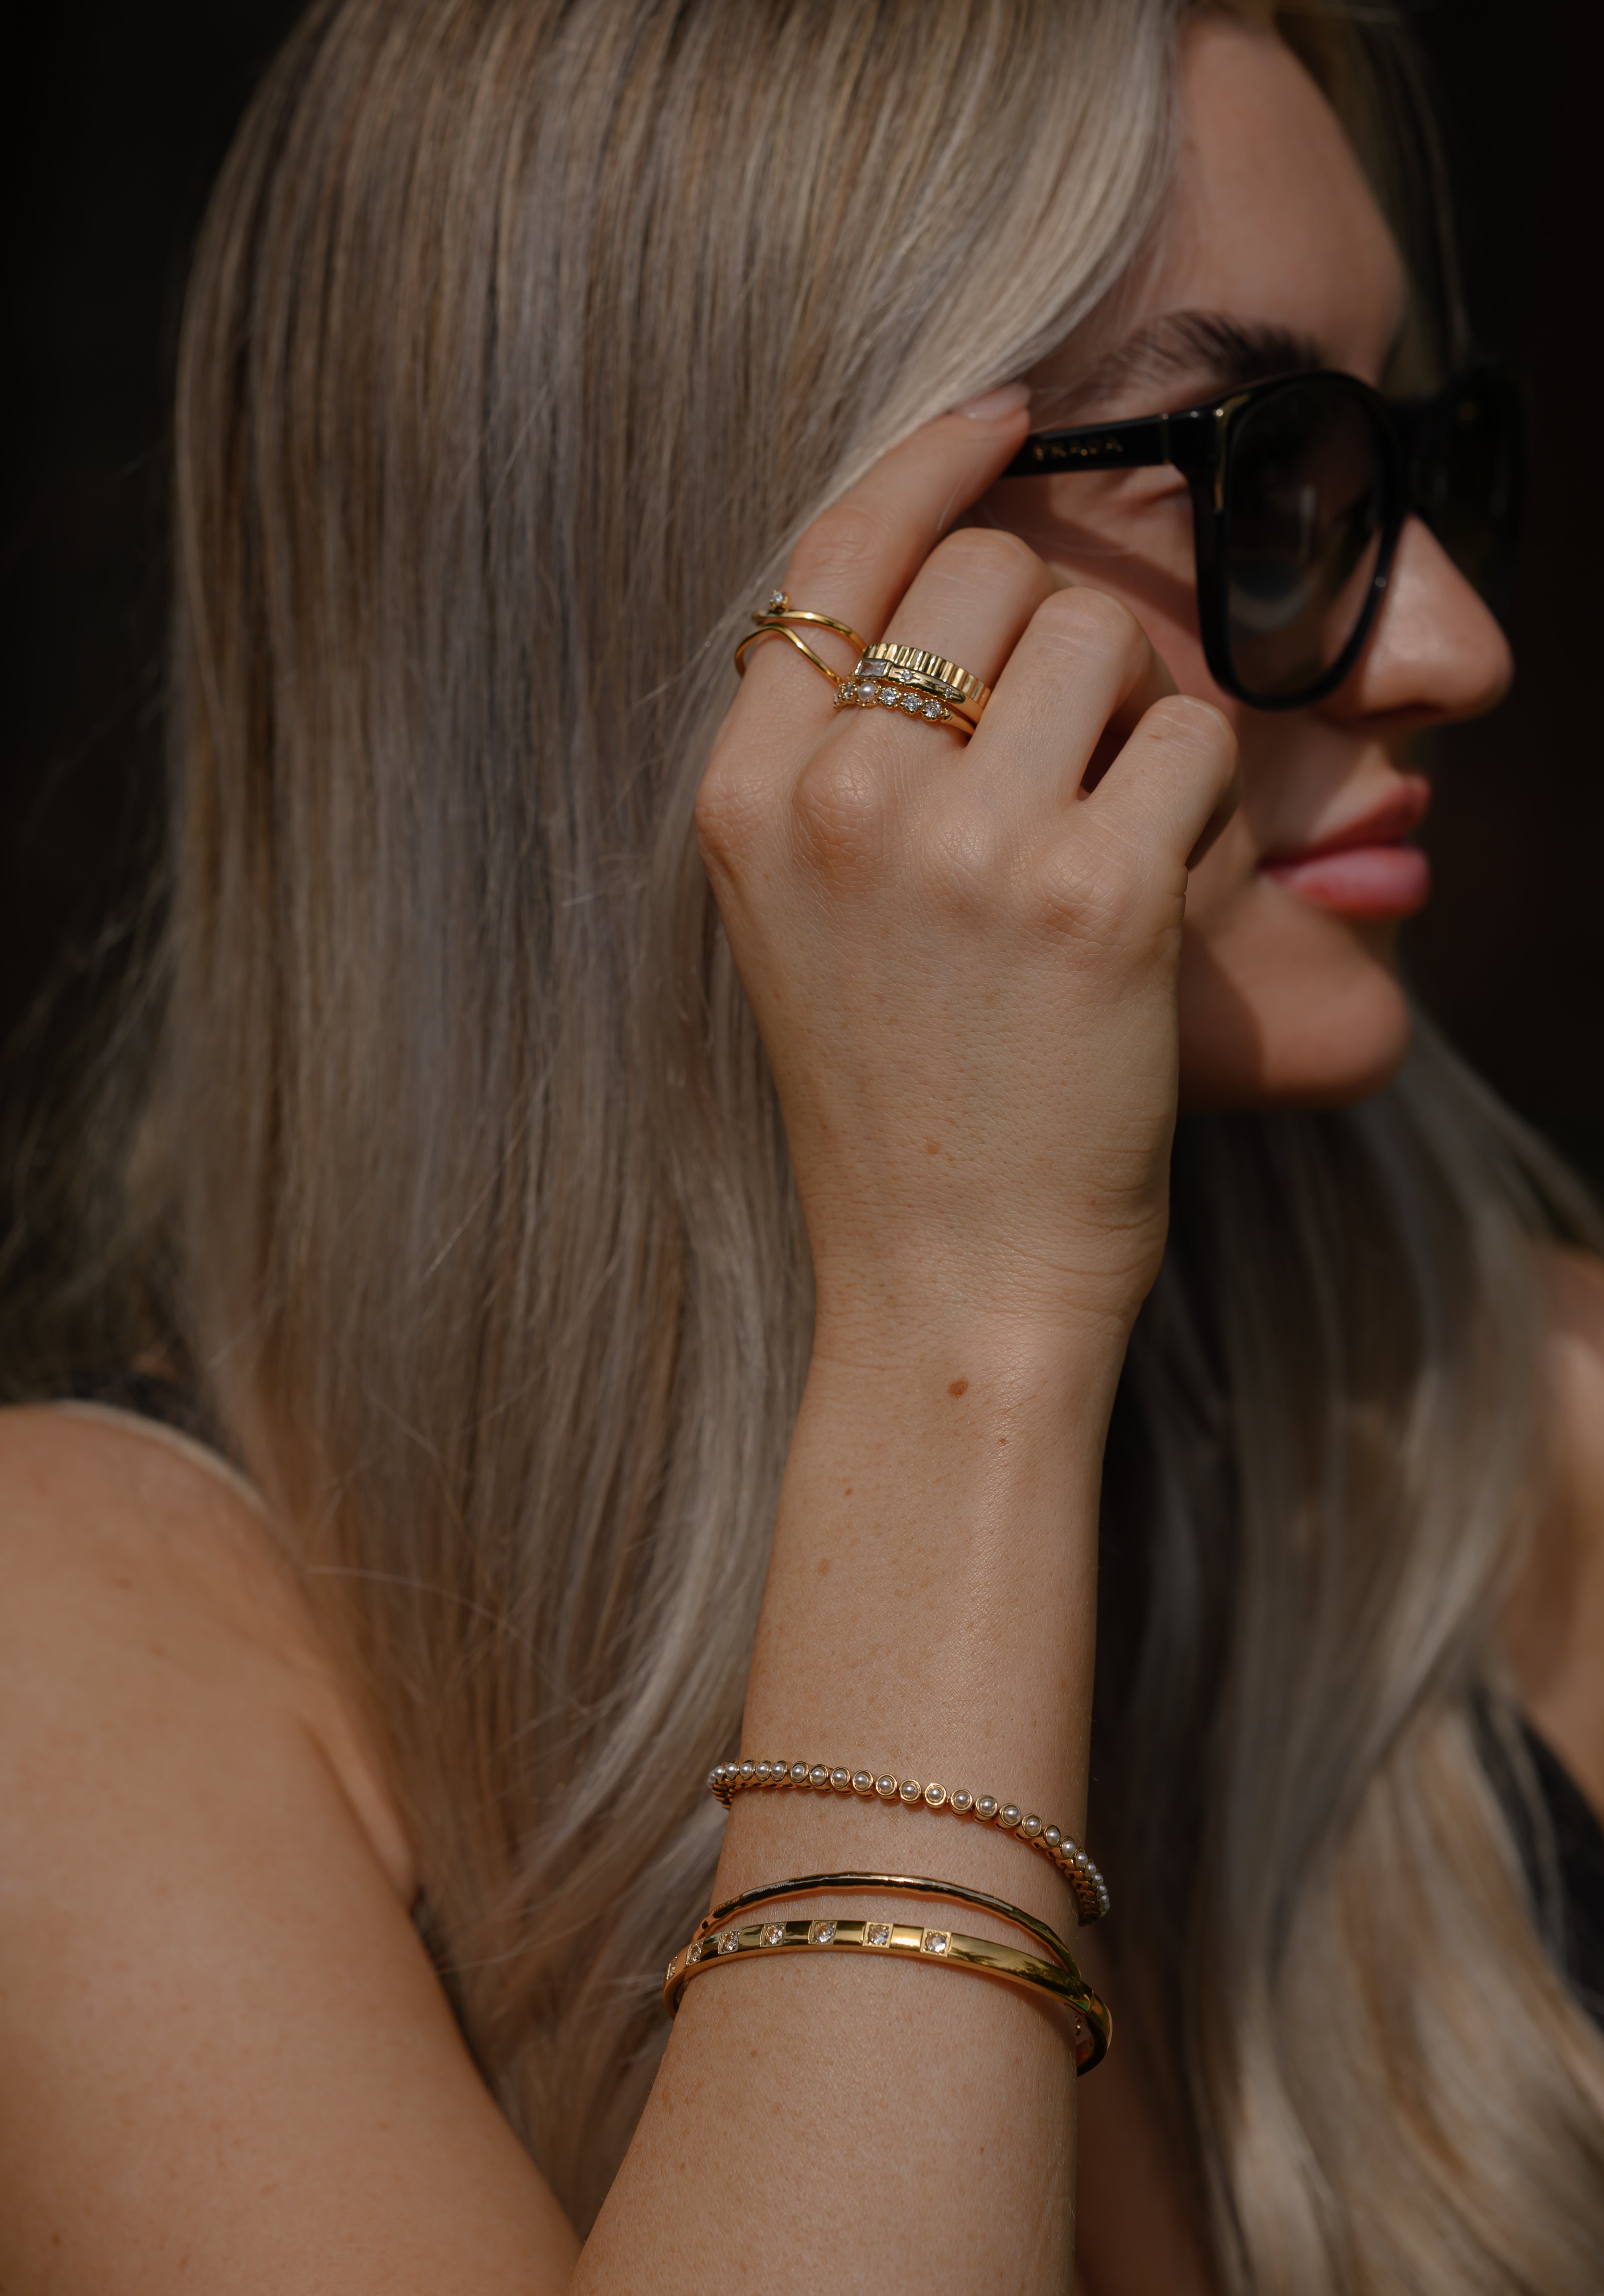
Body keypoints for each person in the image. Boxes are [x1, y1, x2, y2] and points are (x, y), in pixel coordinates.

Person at [1, 0, 1601, 2288]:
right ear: (733, 570)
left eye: (1429, 464)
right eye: (1273, 481)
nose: (1449, 640)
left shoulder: (1529, 1437)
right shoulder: (88, 1662)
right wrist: (967, 1322)